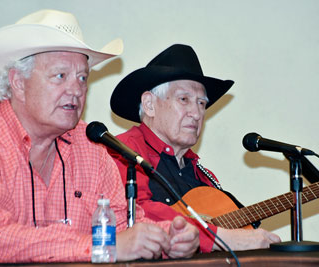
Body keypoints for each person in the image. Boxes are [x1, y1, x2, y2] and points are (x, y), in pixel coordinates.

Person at [0, 10, 199, 263]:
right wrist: (100, 247)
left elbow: (124, 224)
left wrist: (169, 238)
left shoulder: (90, 144)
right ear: (18, 81)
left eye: (83, 78)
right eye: (60, 76)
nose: (76, 90)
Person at [109, 44, 281, 253]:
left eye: (201, 103)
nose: (197, 113)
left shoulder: (203, 177)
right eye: (184, 99)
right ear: (149, 104)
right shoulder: (123, 151)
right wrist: (218, 238)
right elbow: (134, 212)